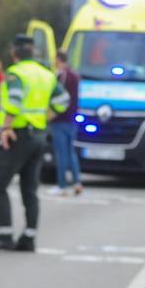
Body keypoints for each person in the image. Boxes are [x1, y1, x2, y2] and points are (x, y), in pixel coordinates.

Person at [0, 34, 68, 251]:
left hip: (17, 135)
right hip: (39, 134)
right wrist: (43, 118)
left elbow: (13, 102)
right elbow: (63, 102)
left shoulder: (15, 73)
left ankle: (5, 235)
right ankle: (29, 237)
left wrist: (6, 128)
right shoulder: (46, 74)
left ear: (14, 53)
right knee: (29, 188)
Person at [49, 48, 84, 195]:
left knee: (61, 153)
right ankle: (77, 182)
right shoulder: (75, 76)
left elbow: (56, 96)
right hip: (72, 119)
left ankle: (62, 185)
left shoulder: (59, 75)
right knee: (71, 152)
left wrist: (50, 114)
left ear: (58, 59)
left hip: (59, 119)